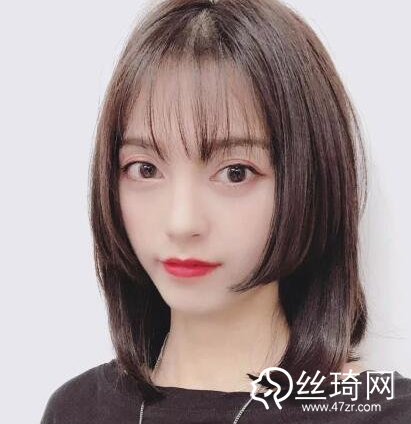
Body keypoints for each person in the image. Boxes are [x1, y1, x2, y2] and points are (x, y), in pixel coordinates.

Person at [40, 0, 411, 422]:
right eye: (145, 169)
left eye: (235, 173)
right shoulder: (76, 410)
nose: (181, 222)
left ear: (309, 181)